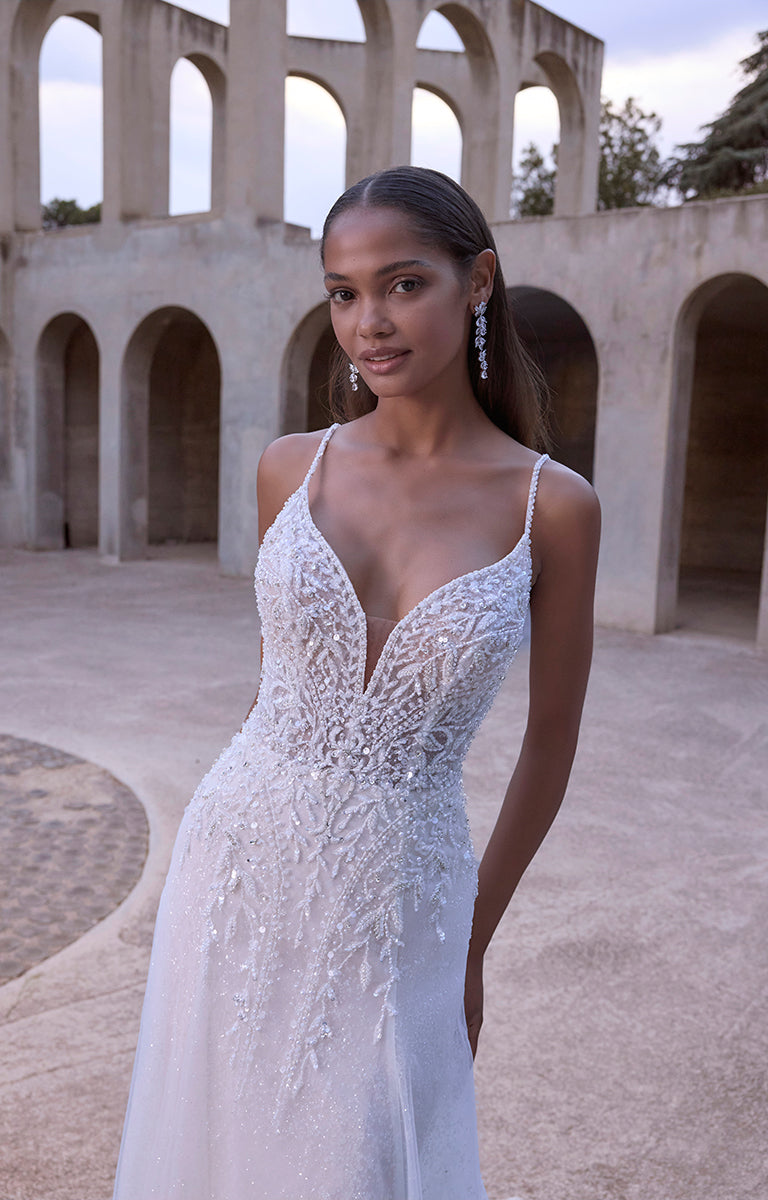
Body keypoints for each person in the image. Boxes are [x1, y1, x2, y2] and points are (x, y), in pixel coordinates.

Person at [112, 166, 600, 1200]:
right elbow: (274, 688)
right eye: (343, 292)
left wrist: (472, 939)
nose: (368, 322)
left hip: (405, 896)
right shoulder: (291, 468)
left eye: (403, 284)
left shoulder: (551, 507)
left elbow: (551, 744)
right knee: (223, 1151)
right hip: (239, 863)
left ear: (478, 284)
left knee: (360, 1162)